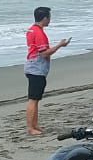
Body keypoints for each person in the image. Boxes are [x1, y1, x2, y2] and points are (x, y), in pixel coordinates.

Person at [25, 7, 71, 136]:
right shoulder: (38, 33)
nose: (50, 20)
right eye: (49, 17)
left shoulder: (32, 29)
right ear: (45, 18)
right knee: (33, 99)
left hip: (33, 66)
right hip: (36, 68)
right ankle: (30, 127)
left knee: (36, 98)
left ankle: (34, 125)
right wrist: (59, 45)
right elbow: (44, 53)